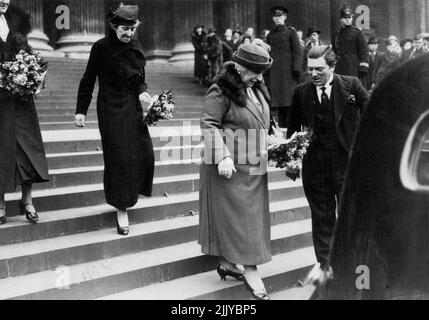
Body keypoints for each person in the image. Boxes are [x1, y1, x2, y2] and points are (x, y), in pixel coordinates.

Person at [199, 43, 275, 300]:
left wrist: (275, 141)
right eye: (256, 70)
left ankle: (231, 264)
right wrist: (222, 156)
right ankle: (250, 269)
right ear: (240, 67)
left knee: (251, 219)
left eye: (262, 71)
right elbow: (209, 124)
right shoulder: (221, 89)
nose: (260, 76)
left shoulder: (257, 87)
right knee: (242, 221)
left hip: (254, 165)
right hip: (230, 167)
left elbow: (262, 122)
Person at [75, 4, 155, 236]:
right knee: (119, 158)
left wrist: (142, 92)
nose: (128, 34)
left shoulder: (136, 47)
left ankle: (130, 193)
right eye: (124, 29)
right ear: (113, 27)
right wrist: (81, 110)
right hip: (110, 108)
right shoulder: (101, 47)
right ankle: (122, 209)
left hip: (132, 106)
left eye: (132, 29)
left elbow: (140, 78)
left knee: (144, 153)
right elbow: (88, 79)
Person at [287, 45, 369, 270]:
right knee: (322, 217)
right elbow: (293, 130)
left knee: (349, 216)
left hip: (347, 163)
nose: (313, 74)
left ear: (332, 66)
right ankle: (327, 267)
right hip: (315, 166)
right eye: (310, 69)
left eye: (319, 69)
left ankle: (351, 264)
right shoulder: (301, 92)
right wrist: (293, 160)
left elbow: (373, 113)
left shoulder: (351, 85)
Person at [0, 0, 49, 225]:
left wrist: (35, 76)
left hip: (21, 99)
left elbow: (29, 55)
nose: (3, 1)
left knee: (28, 148)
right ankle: (0, 204)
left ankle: (27, 200)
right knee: (1, 148)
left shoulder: (18, 21)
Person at [266, 5, 303, 128]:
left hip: (288, 72)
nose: (277, 19)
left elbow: (298, 51)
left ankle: (291, 128)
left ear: (285, 17)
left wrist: (296, 68)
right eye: (275, 16)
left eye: (280, 16)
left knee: (289, 101)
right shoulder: (270, 35)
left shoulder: (291, 32)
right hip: (275, 72)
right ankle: (282, 128)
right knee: (280, 103)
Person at [332, 4, 369, 86]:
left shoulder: (357, 33)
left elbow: (364, 51)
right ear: (340, 19)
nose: (348, 20)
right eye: (345, 18)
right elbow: (334, 50)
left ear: (352, 18)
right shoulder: (336, 34)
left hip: (354, 69)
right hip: (340, 69)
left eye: (349, 17)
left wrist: (363, 68)